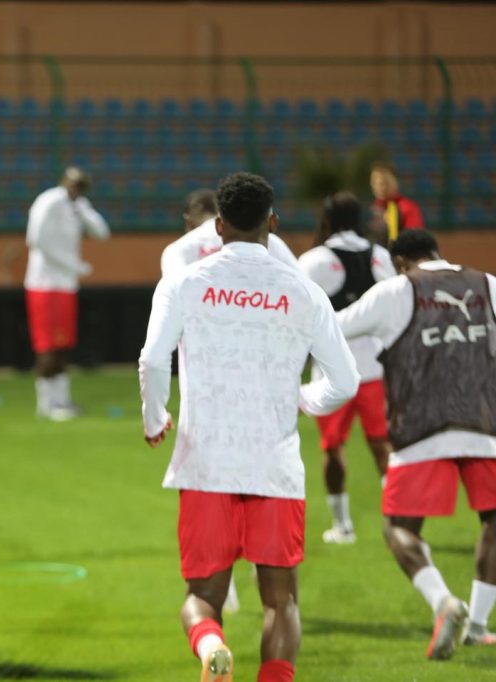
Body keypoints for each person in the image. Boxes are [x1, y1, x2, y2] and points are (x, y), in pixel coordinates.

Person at [139, 172, 359, 682]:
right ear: (273, 222)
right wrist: (304, 398)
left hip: (206, 463)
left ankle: (212, 646)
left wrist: (156, 419)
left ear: (218, 225)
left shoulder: (185, 282)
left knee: (201, 599)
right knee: (281, 604)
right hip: (274, 465)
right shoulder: (302, 291)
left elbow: (153, 360)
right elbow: (345, 381)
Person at [336, 230, 496, 658]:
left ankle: (442, 600)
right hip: (487, 425)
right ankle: (478, 624)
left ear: (400, 261)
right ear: (438, 254)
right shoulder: (488, 284)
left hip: (421, 429)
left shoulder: (393, 290)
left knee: (400, 529)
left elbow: (332, 329)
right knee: (494, 520)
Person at [297, 191, 396, 544]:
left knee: (333, 448)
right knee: (382, 445)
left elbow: (299, 314)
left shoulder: (313, 260)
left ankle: (343, 526)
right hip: (376, 370)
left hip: (330, 374)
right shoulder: (381, 257)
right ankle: (398, 522)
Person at [24, 166, 110, 421]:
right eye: (74, 184)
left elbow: (102, 233)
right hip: (45, 284)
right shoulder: (49, 201)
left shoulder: (77, 206)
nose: (76, 190)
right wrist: (72, 265)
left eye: (81, 187)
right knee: (48, 344)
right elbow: (36, 240)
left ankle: (61, 400)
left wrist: (84, 210)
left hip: (66, 285)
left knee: (63, 344)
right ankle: (46, 405)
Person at [160, 189, 299, 280]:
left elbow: (173, 293)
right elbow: (302, 283)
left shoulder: (178, 249)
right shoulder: (268, 240)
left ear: (188, 221)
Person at [370, 161, 425, 245]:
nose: (379, 186)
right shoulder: (373, 208)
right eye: (374, 182)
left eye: (385, 182)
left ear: (396, 182)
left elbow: (415, 242)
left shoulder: (407, 208)